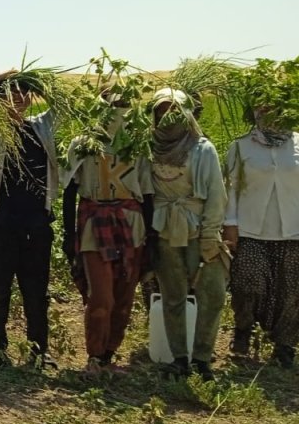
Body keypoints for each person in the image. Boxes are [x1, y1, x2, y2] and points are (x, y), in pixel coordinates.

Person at [0, 71, 59, 369]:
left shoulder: (42, 126)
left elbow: (65, 102)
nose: (19, 98)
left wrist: (41, 84)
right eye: (13, 92)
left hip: (36, 224)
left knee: (36, 290)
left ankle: (39, 349)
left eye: (24, 92)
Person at [63, 91, 154, 375]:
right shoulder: (83, 143)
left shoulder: (139, 143)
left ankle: (108, 355)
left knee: (125, 296)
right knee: (101, 298)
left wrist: (150, 238)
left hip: (130, 223)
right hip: (95, 223)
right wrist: (69, 235)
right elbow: (69, 190)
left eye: (123, 104)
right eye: (113, 105)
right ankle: (94, 355)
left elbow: (147, 193)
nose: (118, 111)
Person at [147, 88, 229, 380]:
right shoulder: (148, 147)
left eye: (173, 110)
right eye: (161, 110)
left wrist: (210, 236)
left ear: (185, 113)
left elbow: (216, 196)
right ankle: (179, 358)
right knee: (172, 295)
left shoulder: (202, 148)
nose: (167, 116)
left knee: (212, 294)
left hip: (198, 230)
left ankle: (203, 359)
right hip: (164, 230)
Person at [225, 104, 299, 369]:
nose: (270, 113)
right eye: (263, 108)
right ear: (254, 112)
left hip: (292, 231)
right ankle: (243, 329)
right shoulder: (241, 146)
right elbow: (231, 188)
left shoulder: (297, 143)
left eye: (277, 107)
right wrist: (230, 224)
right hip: (250, 229)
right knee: (247, 282)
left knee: (291, 292)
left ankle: (284, 345)